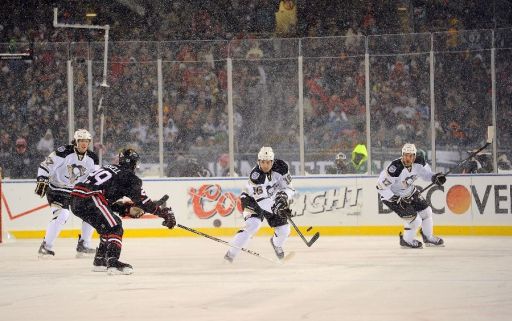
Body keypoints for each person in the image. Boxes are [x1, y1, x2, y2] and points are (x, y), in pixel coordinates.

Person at [70, 148, 176, 274]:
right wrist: (163, 213)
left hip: (76, 200)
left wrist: (126, 209)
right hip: (91, 198)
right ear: (133, 163)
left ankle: (100, 261)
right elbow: (144, 201)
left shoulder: (109, 168)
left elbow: (108, 203)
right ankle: (113, 263)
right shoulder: (129, 177)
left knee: (107, 227)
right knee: (116, 227)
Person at [35, 129, 99, 257]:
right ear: (75, 141)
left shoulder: (92, 158)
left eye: (86, 141)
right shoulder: (63, 152)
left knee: (93, 211)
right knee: (62, 214)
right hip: (56, 189)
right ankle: (46, 246)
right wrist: (42, 178)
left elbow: (94, 178)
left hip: (76, 191)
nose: (84, 144)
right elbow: (45, 166)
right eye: (81, 140)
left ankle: (84, 246)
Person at [224, 146, 294, 262]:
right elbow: (262, 202)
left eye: (268, 162)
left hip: (271, 200)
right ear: (258, 161)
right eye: (262, 162)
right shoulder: (256, 176)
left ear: (273, 161)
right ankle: (230, 255)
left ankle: (276, 244)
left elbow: (289, 188)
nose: (265, 165)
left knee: (284, 230)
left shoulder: (282, 167)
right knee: (253, 224)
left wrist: (283, 197)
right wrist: (277, 208)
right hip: (251, 199)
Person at [376, 143, 446, 248]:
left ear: (414, 156)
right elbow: (380, 187)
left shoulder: (419, 162)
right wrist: (396, 199)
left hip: (409, 191)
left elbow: (426, 175)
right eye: (405, 155)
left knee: (427, 212)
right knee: (415, 220)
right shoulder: (395, 168)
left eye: (410, 155)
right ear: (402, 155)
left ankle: (428, 237)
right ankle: (406, 241)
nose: (407, 158)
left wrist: (434, 178)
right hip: (392, 198)